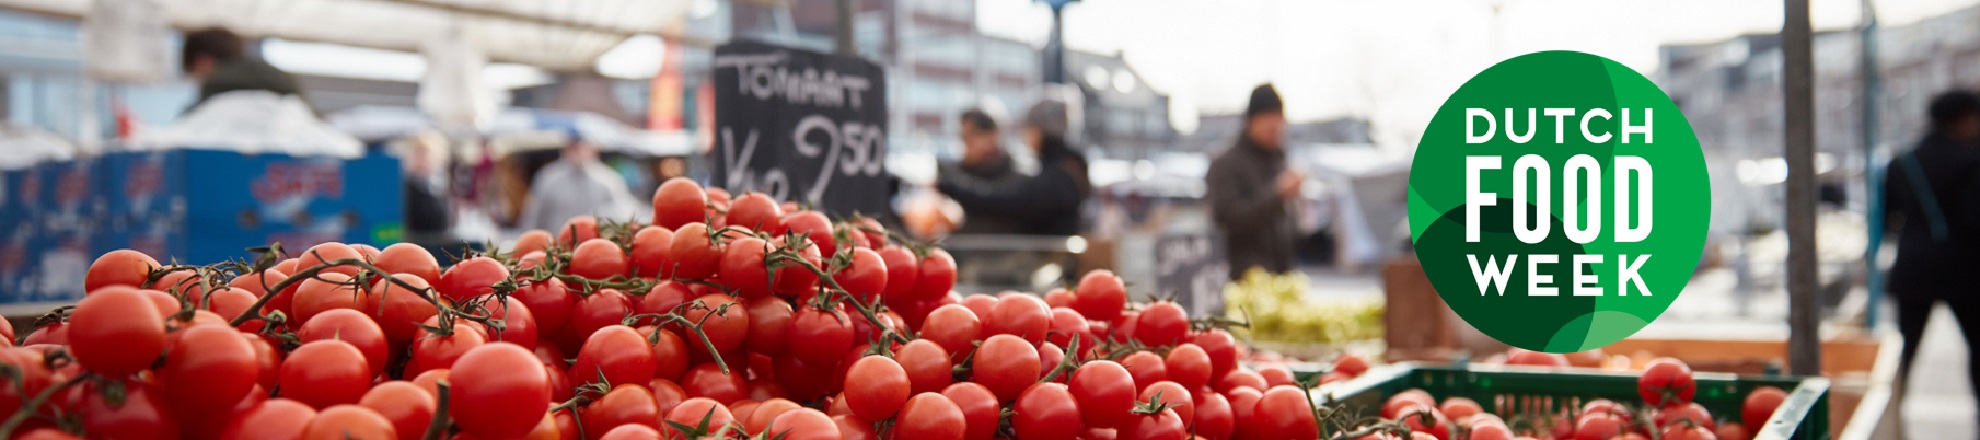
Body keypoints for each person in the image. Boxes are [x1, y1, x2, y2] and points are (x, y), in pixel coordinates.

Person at [1886, 89, 1980, 404]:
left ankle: (1892, 420)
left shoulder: (1903, 162)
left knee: (1904, 355)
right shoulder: (1972, 160)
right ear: (1965, 119)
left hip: (1913, 267)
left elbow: (1889, 218)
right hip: (1967, 271)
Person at [935, 99, 1090, 236]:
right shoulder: (1064, 167)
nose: (1025, 136)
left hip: (1049, 257)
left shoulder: (1056, 175)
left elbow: (1004, 201)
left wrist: (949, 186)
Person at [1207, 84, 1302, 281]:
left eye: (1279, 118)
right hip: (1241, 280)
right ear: (1251, 120)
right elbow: (1227, 220)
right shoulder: (1226, 163)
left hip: (1280, 277)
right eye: (1269, 118)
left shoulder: (1278, 160)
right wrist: (1277, 194)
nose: (1275, 126)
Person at [517, 133, 638, 232]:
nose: (579, 151)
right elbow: (533, 217)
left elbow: (624, 212)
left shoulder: (608, 180)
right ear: (566, 148)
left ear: (593, 149)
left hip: (595, 247)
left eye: (583, 146)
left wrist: (600, 218)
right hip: (555, 248)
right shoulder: (548, 178)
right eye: (574, 146)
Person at [938, 109, 1028, 234]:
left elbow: (994, 199)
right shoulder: (955, 171)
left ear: (993, 135)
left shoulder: (1016, 173)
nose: (966, 143)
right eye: (963, 137)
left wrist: (950, 186)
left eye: (972, 136)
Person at [180, 28, 304, 107]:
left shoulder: (216, 85)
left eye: (194, 75)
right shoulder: (286, 81)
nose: (197, 82)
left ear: (203, 63)